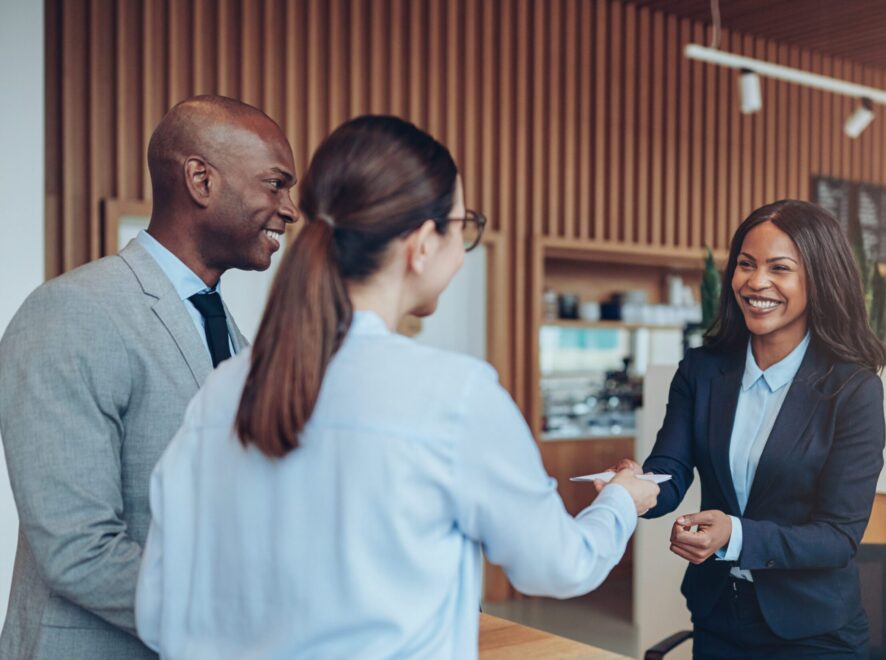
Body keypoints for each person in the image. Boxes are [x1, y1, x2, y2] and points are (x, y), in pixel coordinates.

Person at [134, 115, 659, 659]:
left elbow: (157, 611)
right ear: (422, 244)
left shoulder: (222, 391)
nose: (463, 244)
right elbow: (559, 564)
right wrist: (622, 500)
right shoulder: (454, 396)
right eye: (462, 225)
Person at [0, 95, 298, 659]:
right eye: (275, 184)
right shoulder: (71, 312)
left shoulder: (231, 333)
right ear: (200, 180)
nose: (290, 208)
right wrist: (240, 617)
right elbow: (77, 547)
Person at [615, 200, 886, 658]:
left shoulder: (852, 390)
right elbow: (671, 468)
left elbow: (838, 536)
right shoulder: (701, 371)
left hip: (814, 632)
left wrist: (734, 535)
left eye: (779, 268)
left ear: (818, 280)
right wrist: (632, 488)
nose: (756, 282)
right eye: (745, 264)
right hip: (719, 614)